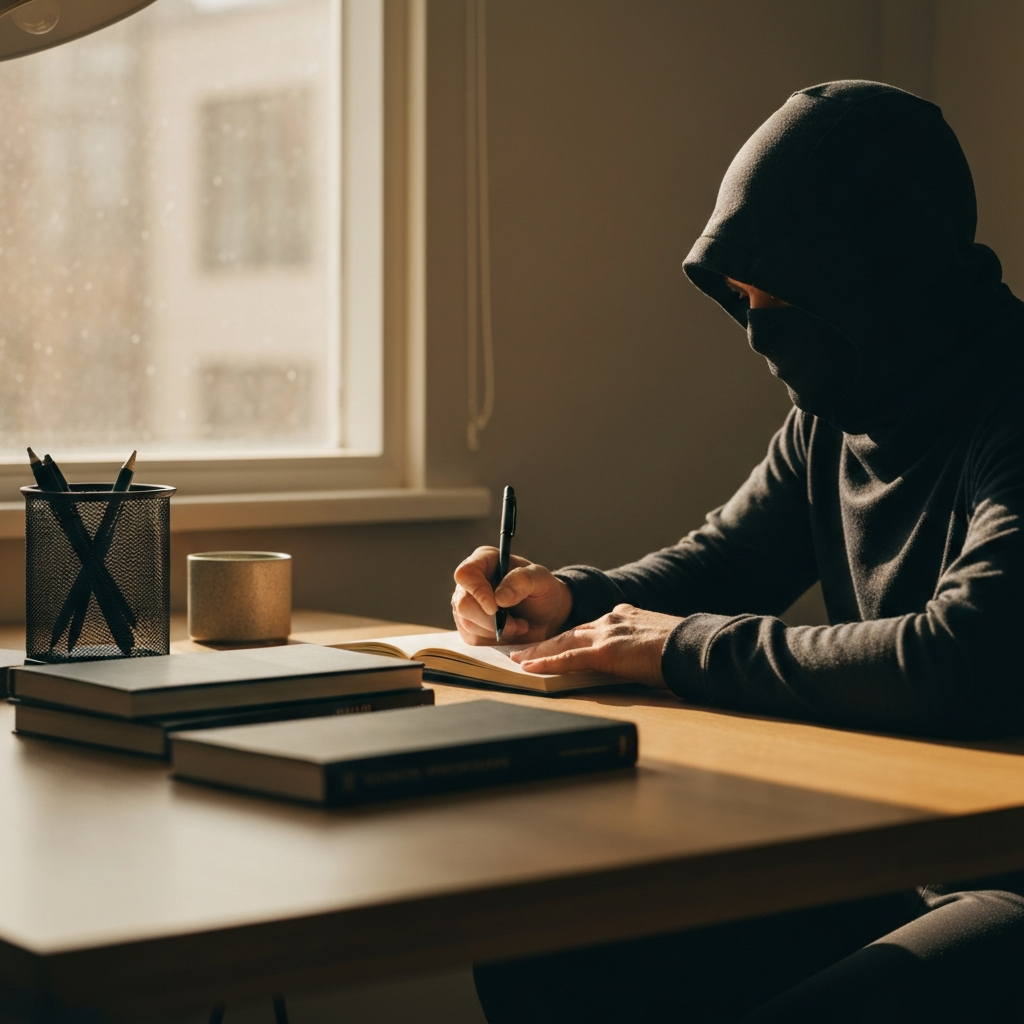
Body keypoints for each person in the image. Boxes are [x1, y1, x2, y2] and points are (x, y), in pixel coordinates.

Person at [451, 81, 1024, 1022]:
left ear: (864, 276)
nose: (756, 326)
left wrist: (677, 647)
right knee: (545, 945)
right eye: (741, 295)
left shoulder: (1011, 402)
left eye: (772, 294)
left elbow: (966, 655)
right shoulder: (838, 413)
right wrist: (572, 601)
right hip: (891, 852)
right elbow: (720, 562)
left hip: (1007, 876)